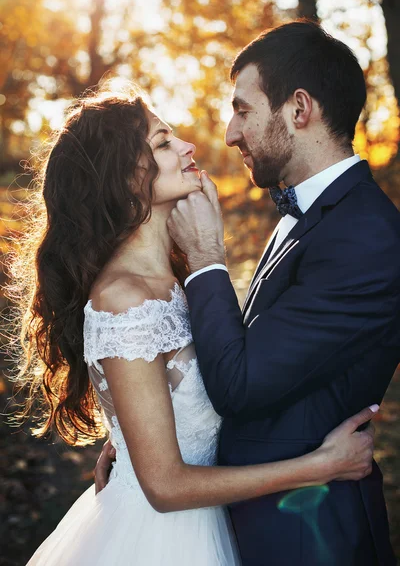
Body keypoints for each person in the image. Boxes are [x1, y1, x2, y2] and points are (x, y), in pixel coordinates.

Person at [8, 83, 376, 566]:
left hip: (212, 520)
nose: (189, 147)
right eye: (163, 143)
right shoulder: (123, 299)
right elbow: (164, 487)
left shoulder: (177, 280)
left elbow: (193, 393)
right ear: (120, 179)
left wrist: (131, 436)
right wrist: (318, 467)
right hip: (161, 540)